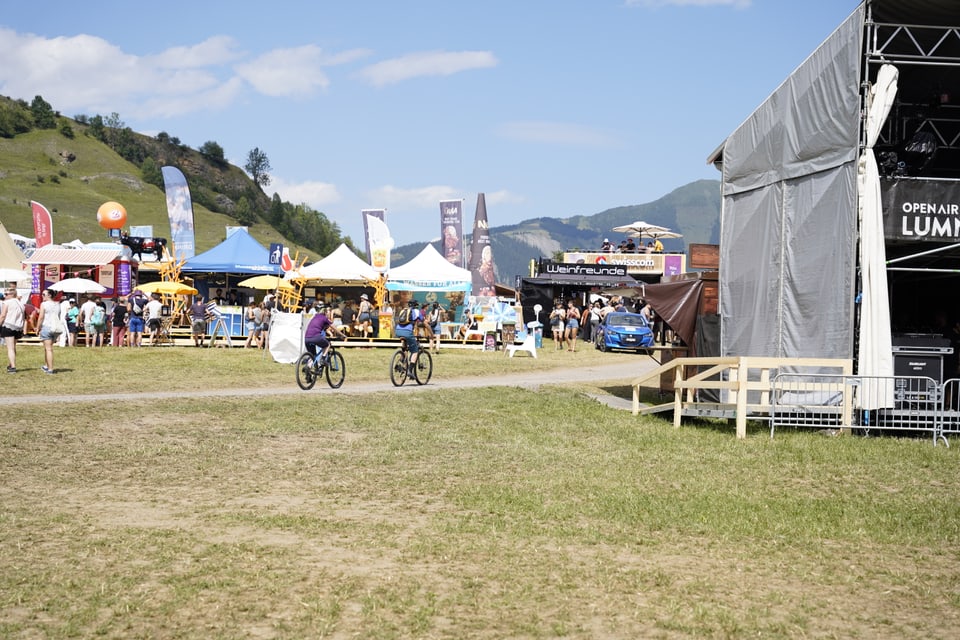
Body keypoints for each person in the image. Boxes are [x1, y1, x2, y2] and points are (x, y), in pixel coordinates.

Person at [36, 288, 63, 373]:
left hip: (47, 327)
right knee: (48, 348)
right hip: (55, 328)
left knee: (48, 349)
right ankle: (46, 365)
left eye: (44, 294)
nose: (42, 296)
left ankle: (50, 368)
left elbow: (41, 317)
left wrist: (37, 327)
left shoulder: (44, 304)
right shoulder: (58, 305)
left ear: (49, 295)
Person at [0, 286, 26, 373]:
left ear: (12, 294)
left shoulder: (7, 303)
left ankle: (13, 367)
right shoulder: (21, 303)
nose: (5, 296)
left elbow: (3, 315)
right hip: (18, 327)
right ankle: (11, 363)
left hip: (9, 325)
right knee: (13, 347)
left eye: (6, 294)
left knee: (10, 348)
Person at [394, 299, 422, 375]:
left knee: (405, 349)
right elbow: (423, 322)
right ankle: (410, 370)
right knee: (415, 351)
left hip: (398, 330)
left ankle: (399, 364)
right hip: (408, 332)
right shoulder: (416, 311)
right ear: (416, 305)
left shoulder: (403, 310)